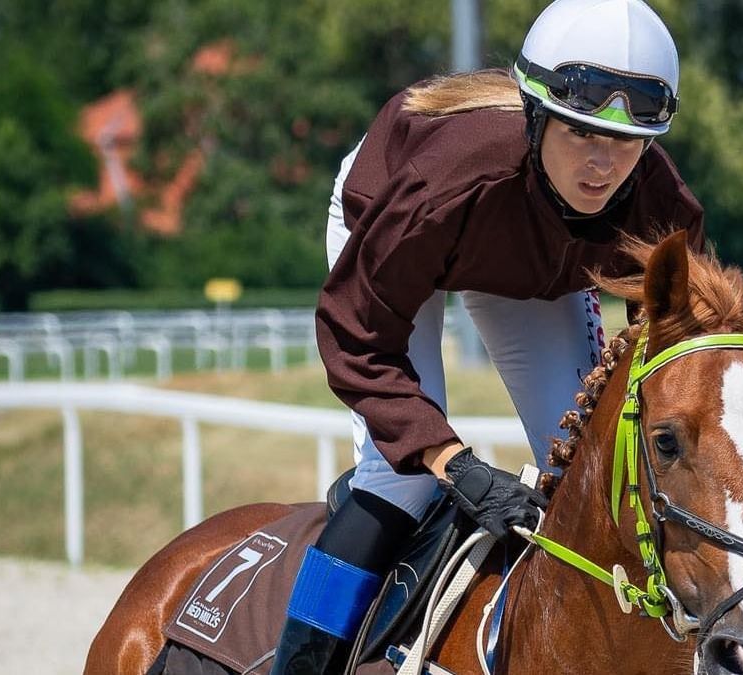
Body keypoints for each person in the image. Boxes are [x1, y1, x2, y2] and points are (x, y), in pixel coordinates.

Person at [270, 1, 704, 673]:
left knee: (589, 472)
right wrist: (450, 460)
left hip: (529, 266)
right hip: (397, 224)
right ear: (536, 114)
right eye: (580, 134)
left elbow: (678, 350)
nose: (602, 165)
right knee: (400, 477)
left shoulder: (662, 205)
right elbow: (355, 335)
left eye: (625, 143)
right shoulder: (447, 180)